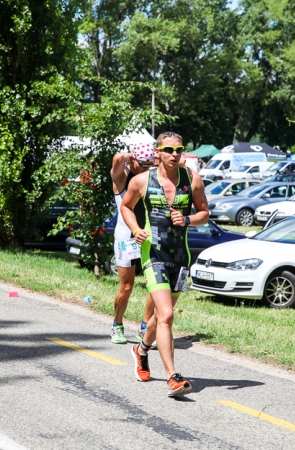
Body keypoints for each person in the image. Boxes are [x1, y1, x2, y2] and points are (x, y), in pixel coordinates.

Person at [121, 131, 209, 397]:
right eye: (169, 150)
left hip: (181, 258)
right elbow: (125, 207)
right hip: (154, 255)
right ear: (157, 152)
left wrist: (188, 220)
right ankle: (173, 377)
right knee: (167, 315)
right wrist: (136, 229)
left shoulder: (192, 180)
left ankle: (141, 350)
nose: (175, 155)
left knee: (161, 316)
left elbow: (204, 213)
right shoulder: (140, 181)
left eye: (179, 150)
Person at [109, 143, 157, 345]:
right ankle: (117, 325)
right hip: (126, 237)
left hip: (148, 235)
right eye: (143, 164)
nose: (148, 169)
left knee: (155, 286)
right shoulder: (122, 177)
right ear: (133, 160)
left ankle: (145, 327)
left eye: (150, 165)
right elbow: (117, 159)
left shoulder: (151, 177)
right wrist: (131, 155)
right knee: (127, 287)